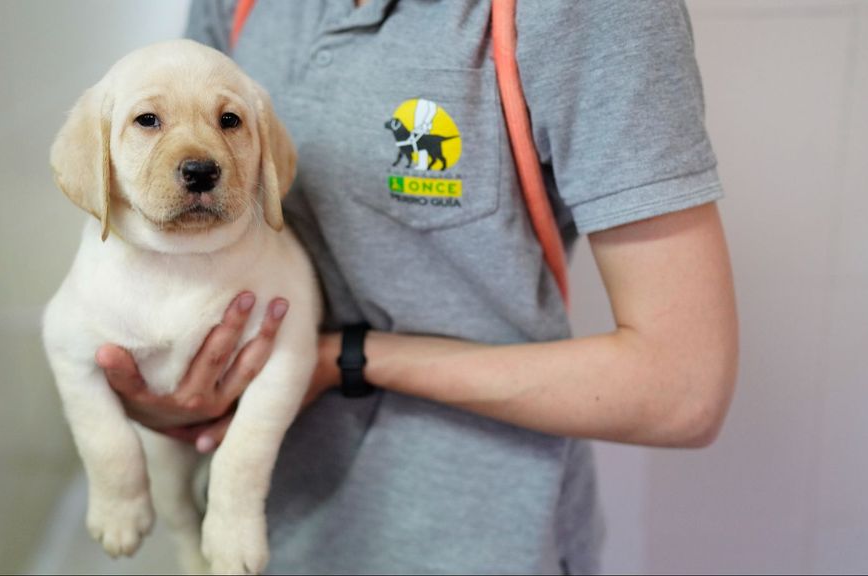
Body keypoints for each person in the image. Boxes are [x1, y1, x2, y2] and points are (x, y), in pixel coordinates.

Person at [96, 0, 739, 573]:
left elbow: (681, 388)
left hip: (473, 539)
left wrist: (341, 360)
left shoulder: (589, 13)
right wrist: (167, 391)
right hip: (264, 533)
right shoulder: (237, 7)